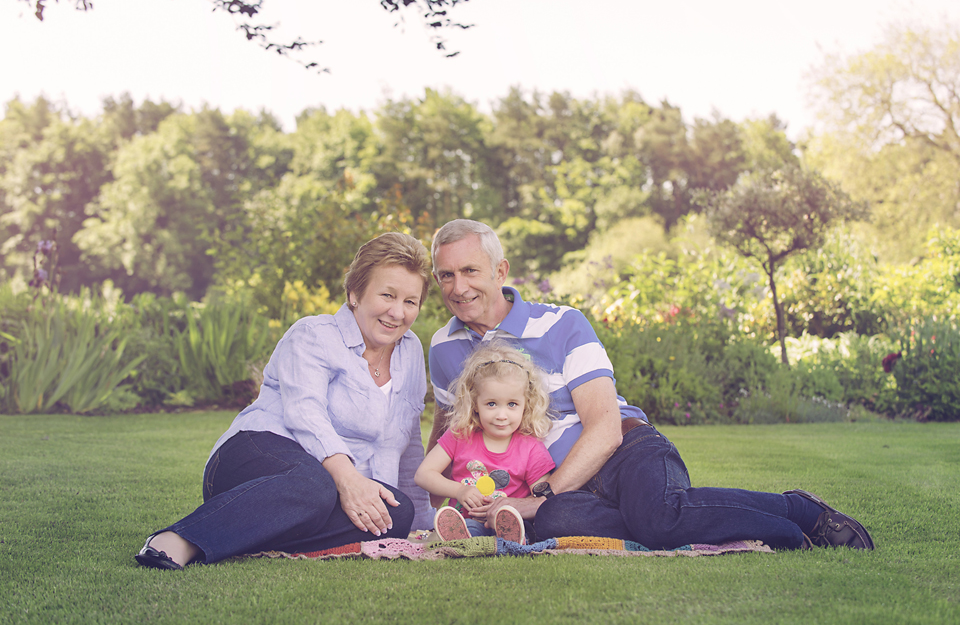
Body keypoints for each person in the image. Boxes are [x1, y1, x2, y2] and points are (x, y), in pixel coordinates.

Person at [427, 219, 875, 551]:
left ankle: (798, 513)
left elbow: (602, 428)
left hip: (624, 450)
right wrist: (440, 506)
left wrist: (540, 496)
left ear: (500, 270)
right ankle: (745, 527)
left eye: (470, 271)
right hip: (569, 494)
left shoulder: (563, 323)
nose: (458, 286)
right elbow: (450, 432)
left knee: (657, 521)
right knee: (560, 519)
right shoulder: (445, 347)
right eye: (446, 275)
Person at [135, 232, 435, 570]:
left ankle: (249, 532)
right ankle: (180, 539)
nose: (398, 312)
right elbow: (305, 414)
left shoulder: (409, 352)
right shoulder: (313, 334)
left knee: (398, 513)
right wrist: (348, 480)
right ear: (355, 293)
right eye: (387, 295)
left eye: (411, 301)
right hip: (256, 459)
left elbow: (407, 441)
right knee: (314, 485)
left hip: (323, 491)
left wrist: (422, 523)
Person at [415, 341, 556, 543]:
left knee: (515, 523)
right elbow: (423, 475)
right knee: (469, 527)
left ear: (526, 405)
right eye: (491, 404)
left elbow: (542, 499)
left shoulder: (530, 447)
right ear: (475, 404)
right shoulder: (460, 435)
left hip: (512, 521)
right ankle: (461, 538)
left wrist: (510, 506)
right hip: (469, 519)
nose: (501, 415)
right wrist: (459, 490)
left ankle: (512, 539)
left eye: (512, 404)